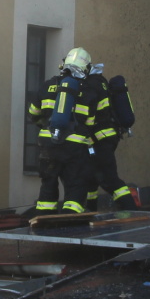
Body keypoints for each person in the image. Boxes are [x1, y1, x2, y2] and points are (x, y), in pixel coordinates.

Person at [26, 47, 97, 216]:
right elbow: (90, 122)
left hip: (48, 144)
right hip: (74, 147)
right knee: (75, 184)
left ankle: (45, 218)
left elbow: (33, 113)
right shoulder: (87, 91)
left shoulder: (47, 86)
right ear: (85, 68)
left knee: (48, 183)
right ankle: (70, 219)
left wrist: (45, 126)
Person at [82, 62, 137, 209]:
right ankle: (91, 211)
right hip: (107, 137)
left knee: (109, 178)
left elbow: (88, 114)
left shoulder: (90, 86)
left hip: (100, 140)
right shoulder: (101, 82)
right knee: (92, 178)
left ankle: (131, 209)